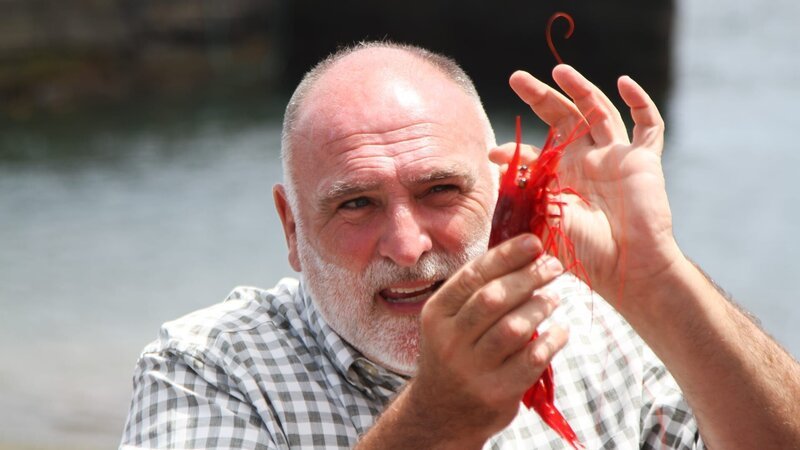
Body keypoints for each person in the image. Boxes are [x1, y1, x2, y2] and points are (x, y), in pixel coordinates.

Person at [120, 41, 800, 449]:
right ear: (292, 229)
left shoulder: (600, 323)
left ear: (502, 189)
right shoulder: (205, 366)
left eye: (441, 190)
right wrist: (438, 422)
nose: (409, 246)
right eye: (355, 203)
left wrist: (656, 278)